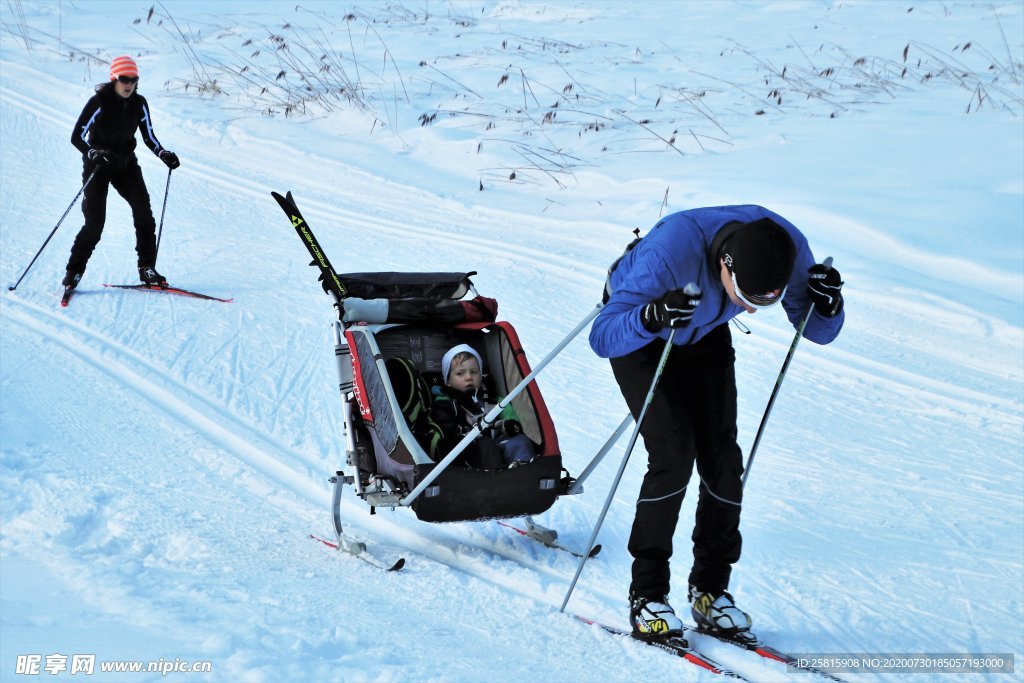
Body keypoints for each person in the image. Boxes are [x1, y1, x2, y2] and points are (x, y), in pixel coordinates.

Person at [589, 205, 844, 639]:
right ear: (726, 265)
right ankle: (647, 595)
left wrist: (829, 304)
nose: (749, 312)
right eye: (743, 298)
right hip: (644, 334)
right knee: (673, 453)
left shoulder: (786, 245)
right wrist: (651, 317)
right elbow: (603, 336)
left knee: (724, 461)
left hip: (702, 332)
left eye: (763, 303)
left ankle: (710, 592)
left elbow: (817, 331)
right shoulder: (671, 251)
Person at [62, 55, 181, 294]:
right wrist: (93, 153)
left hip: (126, 165)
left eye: (133, 79)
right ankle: (74, 272)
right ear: (114, 79)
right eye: (124, 79)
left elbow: (149, 136)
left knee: (144, 213)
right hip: (98, 167)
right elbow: (77, 136)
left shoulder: (139, 103)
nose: (129, 84)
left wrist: (163, 153)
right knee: (95, 224)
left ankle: (147, 267)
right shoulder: (99, 102)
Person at [430, 344, 536, 469]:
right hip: (469, 448)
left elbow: (511, 418)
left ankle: (524, 469)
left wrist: (510, 426)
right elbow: (446, 428)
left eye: (474, 372)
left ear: (481, 375)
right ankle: (497, 476)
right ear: (448, 381)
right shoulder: (445, 403)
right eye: (460, 374)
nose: (469, 377)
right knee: (486, 444)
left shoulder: (494, 399)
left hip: (499, 440)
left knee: (520, 441)